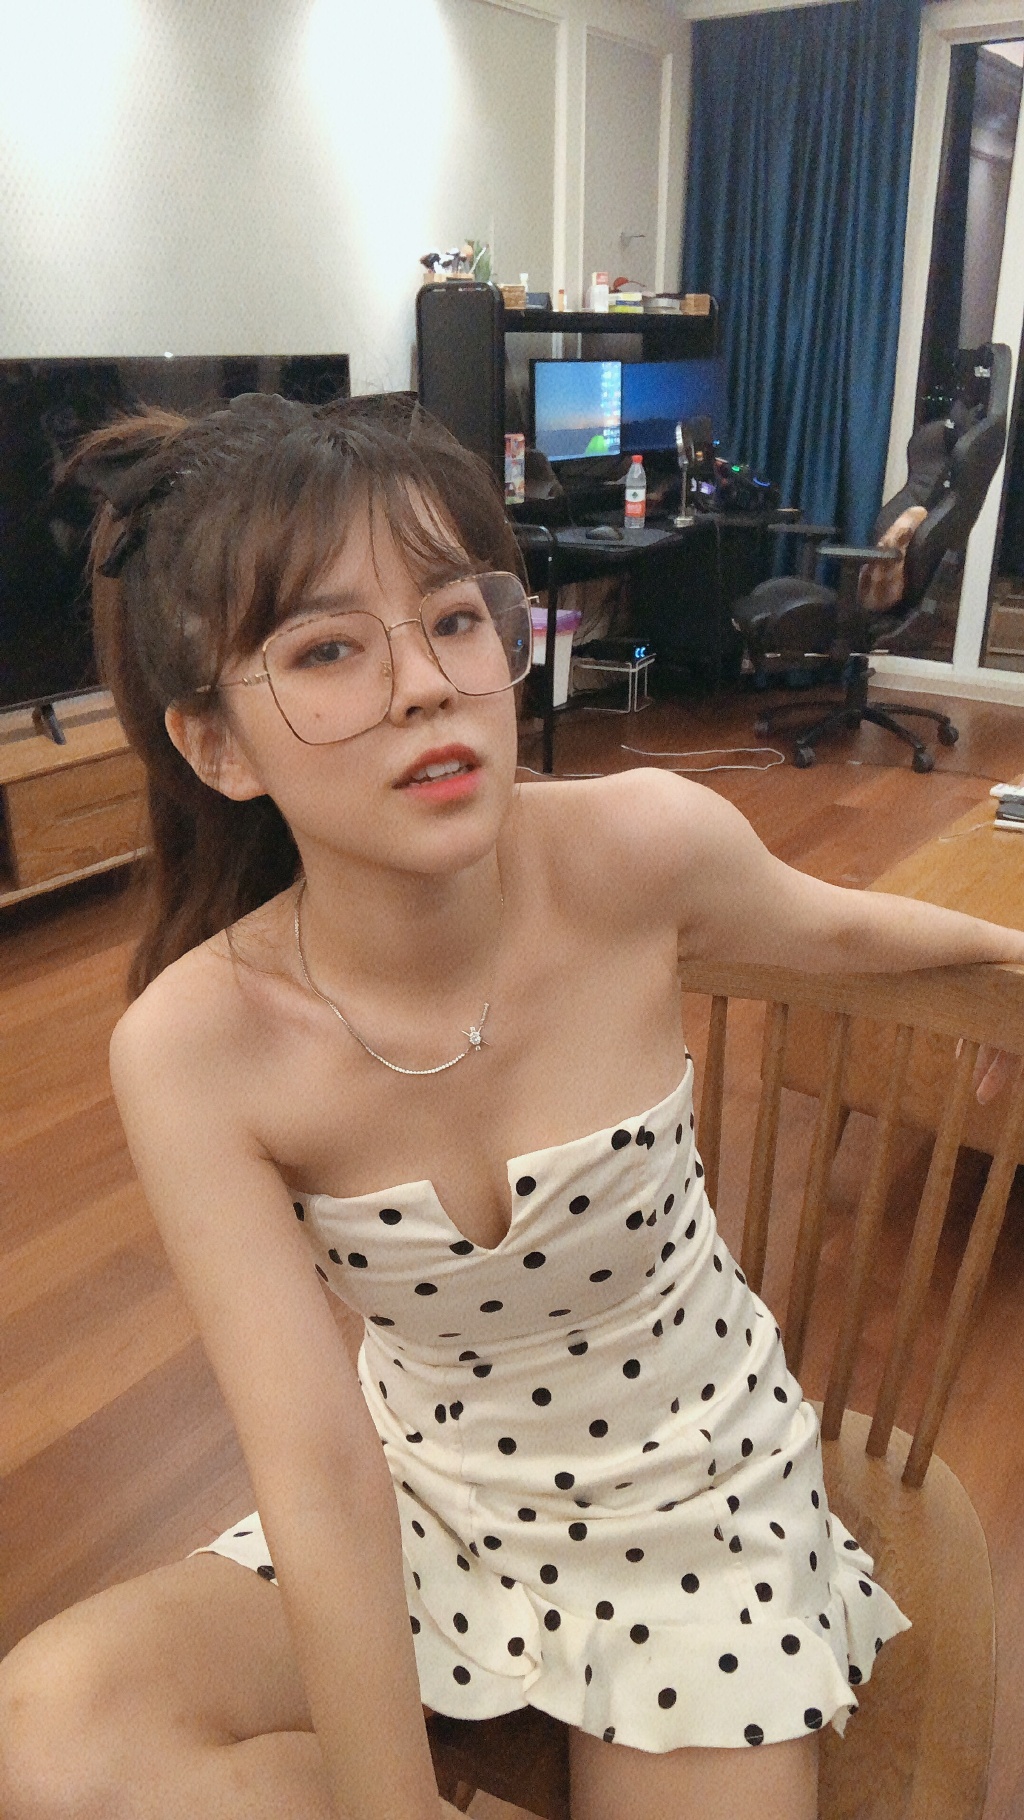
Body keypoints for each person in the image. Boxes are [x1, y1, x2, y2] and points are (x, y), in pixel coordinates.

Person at [0, 392, 1020, 1820]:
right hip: (428, 1495)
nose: (425, 685)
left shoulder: (641, 845)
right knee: (53, 1735)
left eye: (454, 617)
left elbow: (839, 929)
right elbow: (318, 1469)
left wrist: (1007, 963)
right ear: (217, 747)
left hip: (695, 1506)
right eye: (328, 649)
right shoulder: (194, 1047)